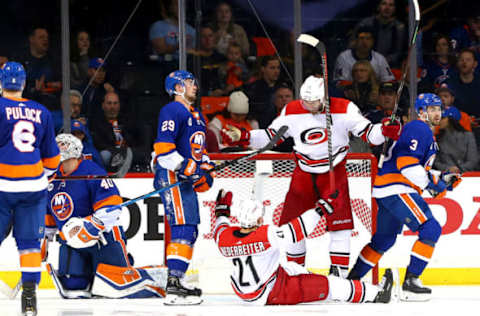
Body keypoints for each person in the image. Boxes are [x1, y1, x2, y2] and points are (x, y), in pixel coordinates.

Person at [221, 75, 402, 278]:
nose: (308, 105)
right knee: (292, 224)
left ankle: (338, 274)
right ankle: (295, 271)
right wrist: (244, 136)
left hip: (335, 171)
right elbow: (271, 137)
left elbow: (369, 133)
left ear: (323, 98)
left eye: (313, 101)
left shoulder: (344, 108)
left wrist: (385, 129)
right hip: (303, 172)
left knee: (340, 225)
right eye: (305, 100)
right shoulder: (292, 110)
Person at [347, 93, 461, 301]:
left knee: (383, 240)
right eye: (432, 109)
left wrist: (442, 180)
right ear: (421, 112)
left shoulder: (423, 132)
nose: (437, 112)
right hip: (396, 188)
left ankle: (351, 281)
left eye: (438, 108)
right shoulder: (419, 128)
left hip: (387, 189)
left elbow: (416, 168)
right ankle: (410, 282)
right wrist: (431, 185)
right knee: (431, 228)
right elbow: (406, 164)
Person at [212, 189, 394, 305]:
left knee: (291, 267)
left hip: (244, 292)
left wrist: (221, 210)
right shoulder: (266, 235)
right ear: (259, 219)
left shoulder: (224, 238)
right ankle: (376, 294)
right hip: (273, 292)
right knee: (330, 284)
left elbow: (220, 224)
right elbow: (297, 230)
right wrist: (321, 209)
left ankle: (306, 278)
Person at [45, 133, 166, 299]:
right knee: (73, 288)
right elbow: (49, 216)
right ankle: (86, 276)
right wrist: (44, 238)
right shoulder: (51, 179)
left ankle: (152, 277)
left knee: (116, 288)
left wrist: (93, 224)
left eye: (61, 148)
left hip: (103, 238)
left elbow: (112, 207)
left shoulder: (92, 171)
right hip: (72, 242)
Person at [0, 61, 60, 315]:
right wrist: (37, 177)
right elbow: (53, 160)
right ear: (24, 84)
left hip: (2, 186)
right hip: (33, 187)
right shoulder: (41, 111)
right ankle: (29, 299)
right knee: (30, 245)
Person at [151, 70, 215, 305]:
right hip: (172, 177)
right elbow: (163, 148)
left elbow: (201, 152)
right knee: (183, 227)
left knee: (190, 230)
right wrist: (186, 167)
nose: (195, 86)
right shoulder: (172, 110)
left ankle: (177, 280)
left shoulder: (197, 116)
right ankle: (174, 285)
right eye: (189, 83)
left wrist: (205, 171)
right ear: (177, 88)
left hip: (185, 178)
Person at [90, 91, 136, 176]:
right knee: (104, 155)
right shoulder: (96, 122)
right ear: (103, 105)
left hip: (126, 152)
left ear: (119, 105)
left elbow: (133, 138)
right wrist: (116, 152)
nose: (112, 107)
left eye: (115, 103)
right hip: (110, 152)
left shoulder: (127, 120)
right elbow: (99, 144)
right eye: (109, 103)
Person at [350, 0, 407, 68]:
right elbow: (352, 45)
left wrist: (383, 61)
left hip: (391, 67)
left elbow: (400, 52)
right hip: (365, 66)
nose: (387, 8)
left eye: (391, 5)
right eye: (384, 3)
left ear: (395, 9)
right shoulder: (365, 24)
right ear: (378, 6)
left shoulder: (400, 28)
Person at [434, 106, 478, 173]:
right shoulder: (438, 139)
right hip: (446, 176)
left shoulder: (468, 136)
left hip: (466, 176)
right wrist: (449, 169)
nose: (439, 120)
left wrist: (458, 169)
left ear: (451, 120)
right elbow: (436, 162)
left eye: (443, 118)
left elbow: (473, 160)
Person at [245, 56, 282, 128]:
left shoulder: (283, 87)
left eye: (278, 68)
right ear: (263, 69)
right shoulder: (253, 89)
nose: (276, 71)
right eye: (272, 68)